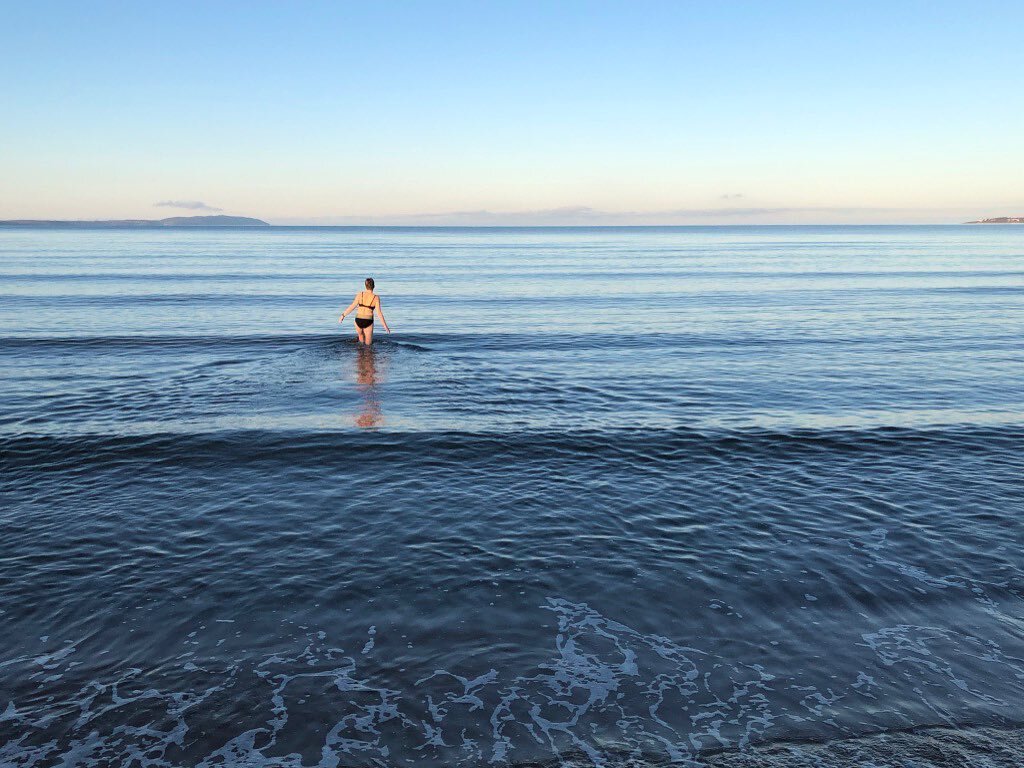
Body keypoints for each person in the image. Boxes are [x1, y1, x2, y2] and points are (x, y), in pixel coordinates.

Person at [339, 277, 391, 345]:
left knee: (361, 343)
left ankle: (360, 354)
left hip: (358, 320)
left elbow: (352, 306)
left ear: (365, 286)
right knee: (368, 346)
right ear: (374, 286)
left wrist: (343, 315)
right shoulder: (376, 297)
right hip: (368, 321)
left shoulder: (360, 294)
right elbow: (379, 313)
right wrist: (385, 326)